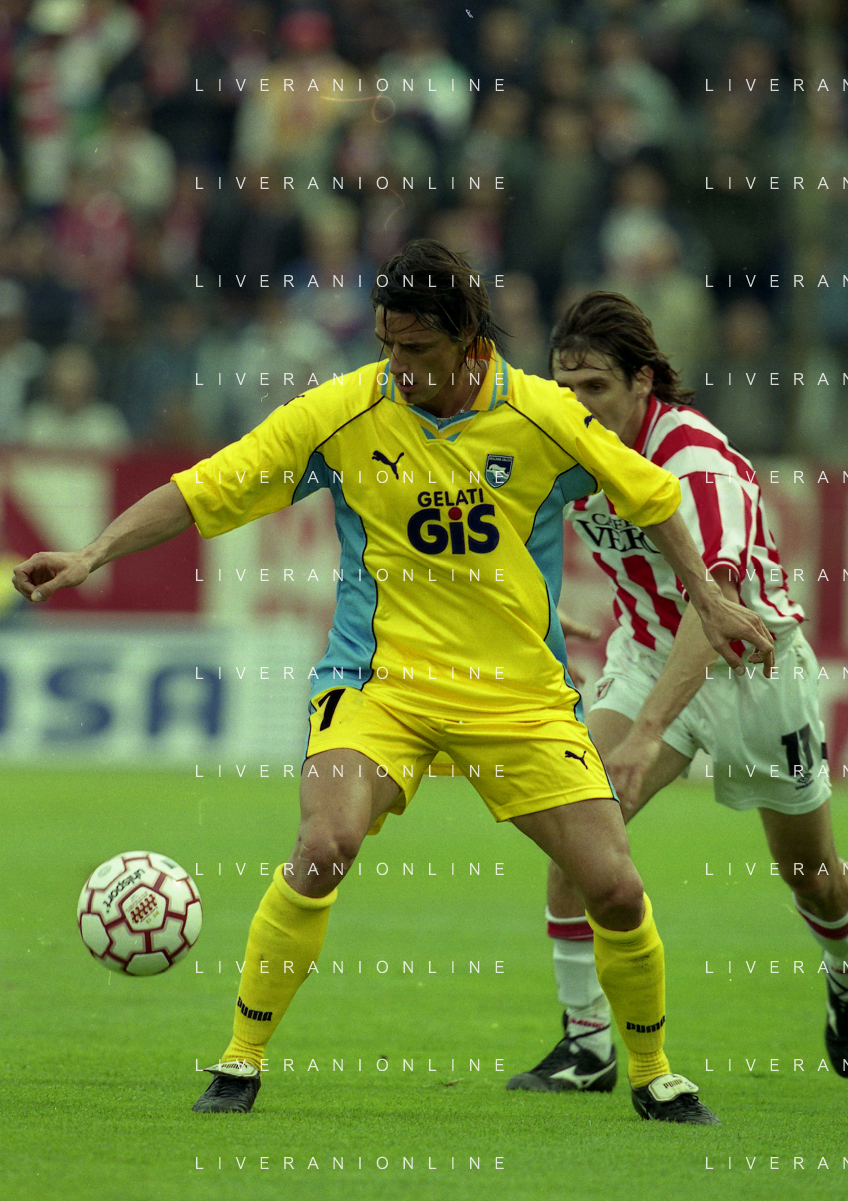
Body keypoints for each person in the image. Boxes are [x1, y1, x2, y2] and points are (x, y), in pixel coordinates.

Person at [12, 243, 773, 1122]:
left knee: (615, 886)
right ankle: (239, 1061)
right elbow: (205, 486)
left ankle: (653, 1072)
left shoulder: (542, 414)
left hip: (516, 693)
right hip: (379, 682)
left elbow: (654, 497)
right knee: (324, 843)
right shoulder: (346, 411)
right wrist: (93, 552)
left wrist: (707, 595)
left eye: (415, 349)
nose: (396, 365)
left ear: (469, 341)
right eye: (387, 344)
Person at [506, 291, 846, 1096]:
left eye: (595, 386)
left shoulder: (694, 462)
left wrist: (647, 730)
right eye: (565, 385)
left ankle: (843, 968)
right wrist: (537, 604)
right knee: (577, 823)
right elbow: (502, 530)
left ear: (643, 382)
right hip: (646, 650)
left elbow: (714, 607)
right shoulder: (560, 445)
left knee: (810, 873)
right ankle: (587, 1043)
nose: (577, 403)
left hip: (750, 666)